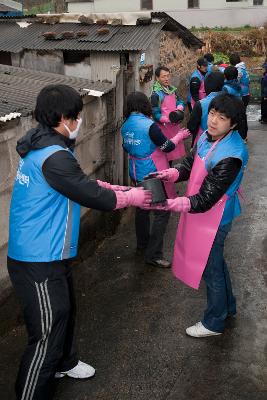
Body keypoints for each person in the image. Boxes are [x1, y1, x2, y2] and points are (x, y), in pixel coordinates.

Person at [7, 84, 152, 400]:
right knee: (46, 331)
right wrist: (132, 197)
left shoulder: (43, 143)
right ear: (62, 118)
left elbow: (77, 183)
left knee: (65, 310)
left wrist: (114, 187)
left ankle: (64, 361)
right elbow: (89, 194)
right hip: (37, 258)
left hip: (49, 251)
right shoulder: (53, 155)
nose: (79, 122)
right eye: (76, 116)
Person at [148, 93, 249, 337]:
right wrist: (173, 174)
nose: (213, 120)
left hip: (215, 218)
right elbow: (191, 163)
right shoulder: (206, 136)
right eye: (212, 113)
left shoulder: (231, 155)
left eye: (222, 118)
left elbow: (205, 199)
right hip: (201, 209)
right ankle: (228, 307)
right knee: (216, 263)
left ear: (233, 124)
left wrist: (173, 203)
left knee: (210, 267)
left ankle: (214, 322)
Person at [121, 91, 190, 268]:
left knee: (142, 208)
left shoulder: (125, 125)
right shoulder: (149, 126)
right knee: (162, 211)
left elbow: (125, 146)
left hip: (135, 171)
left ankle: (142, 245)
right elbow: (167, 147)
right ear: (145, 105)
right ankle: (154, 255)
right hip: (152, 172)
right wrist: (180, 136)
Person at [150, 66, 187, 162]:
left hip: (174, 126)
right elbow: (155, 114)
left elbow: (180, 101)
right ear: (157, 78)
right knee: (165, 154)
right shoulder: (156, 94)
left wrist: (180, 107)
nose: (166, 79)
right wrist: (167, 119)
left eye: (168, 76)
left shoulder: (172, 90)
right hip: (164, 128)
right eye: (163, 77)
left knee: (173, 152)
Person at [187, 71, 224, 146]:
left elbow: (192, 126)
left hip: (204, 141)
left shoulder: (201, 104)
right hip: (223, 142)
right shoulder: (230, 100)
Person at [223, 65, 248, 142]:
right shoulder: (237, 85)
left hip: (230, 111)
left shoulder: (225, 88)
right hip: (238, 109)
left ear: (225, 75)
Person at [260, 60, 267, 124]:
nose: (263, 69)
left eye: (264, 68)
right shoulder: (264, 75)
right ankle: (263, 117)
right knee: (263, 105)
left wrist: (265, 95)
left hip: (265, 94)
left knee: (265, 106)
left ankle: (265, 119)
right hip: (263, 93)